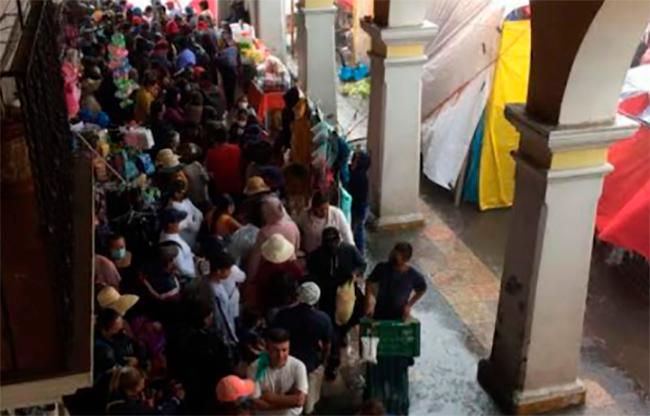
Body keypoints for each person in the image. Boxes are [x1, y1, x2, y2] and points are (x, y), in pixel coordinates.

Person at [306, 227, 366, 379]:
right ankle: (334, 361)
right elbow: (312, 273)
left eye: (334, 242)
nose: (332, 245)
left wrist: (355, 274)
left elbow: (362, 264)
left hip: (347, 294)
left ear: (339, 240)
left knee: (348, 321)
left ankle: (343, 335)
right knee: (332, 329)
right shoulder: (317, 255)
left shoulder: (349, 250)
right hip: (327, 297)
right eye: (328, 243)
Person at [272, 282, 333, 414]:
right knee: (307, 401)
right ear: (317, 299)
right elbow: (327, 345)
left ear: (298, 295)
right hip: (310, 364)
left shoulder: (283, 315)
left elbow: (273, 338)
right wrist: (323, 361)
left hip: (285, 362)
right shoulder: (323, 319)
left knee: (285, 400)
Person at [247, 328, 308, 416]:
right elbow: (256, 403)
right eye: (276, 350)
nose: (280, 356)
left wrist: (270, 397)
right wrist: (289, 400)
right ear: (267, 349)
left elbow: (300, 400)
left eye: (284, 350)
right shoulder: (254, 368)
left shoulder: (298, 366)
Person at [245, 233, 303, 317]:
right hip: (290, 305)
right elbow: (300, 278)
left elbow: (259, 288)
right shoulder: (292, 267)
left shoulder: (264, 269)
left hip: (269, 305)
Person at [365, 242, 427, 321]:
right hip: (380, 313)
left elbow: (422, 289)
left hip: (399, 316)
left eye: (396, 256)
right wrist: (368, 302)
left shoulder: (413, 275)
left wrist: (409, 305)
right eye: (393, 253)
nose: (392, 257)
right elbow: (369, 282)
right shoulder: (382, 268)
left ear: (405, 259)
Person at [204, 121, 244, 196]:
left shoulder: (210, 153)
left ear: (213, 139)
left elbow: (208, 172)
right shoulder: (237, 149)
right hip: (237, 188)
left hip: (220, 190)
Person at [159, 207, 197, 280]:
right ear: (170, 225)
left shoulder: (168, 233)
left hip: (192, 263)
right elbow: (182, 269)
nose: (180, 223)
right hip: (188, 277)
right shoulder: (172, 246)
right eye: (178, 221)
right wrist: (197, 273)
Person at [167, 179, 203, 249]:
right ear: (176, 194)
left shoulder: (186, 200)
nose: (185, 193)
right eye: (182, 192)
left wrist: (196, 216)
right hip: (187, 239)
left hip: (193, 233)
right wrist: (196, 217)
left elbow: (199, 213)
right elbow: (195, 227)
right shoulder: (176, 208)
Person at [346, 150, 371, 253]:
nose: (353, 161)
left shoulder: (358, 176)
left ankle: (359, 252)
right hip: (360, 205)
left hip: (358, 206)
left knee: (358, 229)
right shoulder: (360, 174)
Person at [179, 142, 210, 210]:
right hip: (200, 198)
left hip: (194, 200)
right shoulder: (197, 165)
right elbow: (207, 179)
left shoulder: (183, 168)